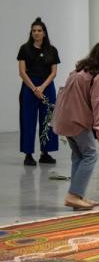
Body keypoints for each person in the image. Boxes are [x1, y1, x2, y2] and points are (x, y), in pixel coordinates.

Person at [52, 42, 99, 210]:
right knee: (90, 155)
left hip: (65, 120)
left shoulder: (78, 72)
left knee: (79, 156)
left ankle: (77, 196)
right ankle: (74, 195)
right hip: (78, 122)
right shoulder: (96, 78)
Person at [17, 17, 60, 166]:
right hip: (29, 87)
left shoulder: (52, 50)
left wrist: (42, 87)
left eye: (39, 30)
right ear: (31, 33)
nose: (36, 33)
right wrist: (34, 88)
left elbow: (54, 72)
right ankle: (28, 154)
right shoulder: (24, 49)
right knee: (28, 120)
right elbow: (22, 72)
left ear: (44, 33)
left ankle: (45, 153)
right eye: (34, 30)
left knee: (47, 119)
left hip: (47, 86)